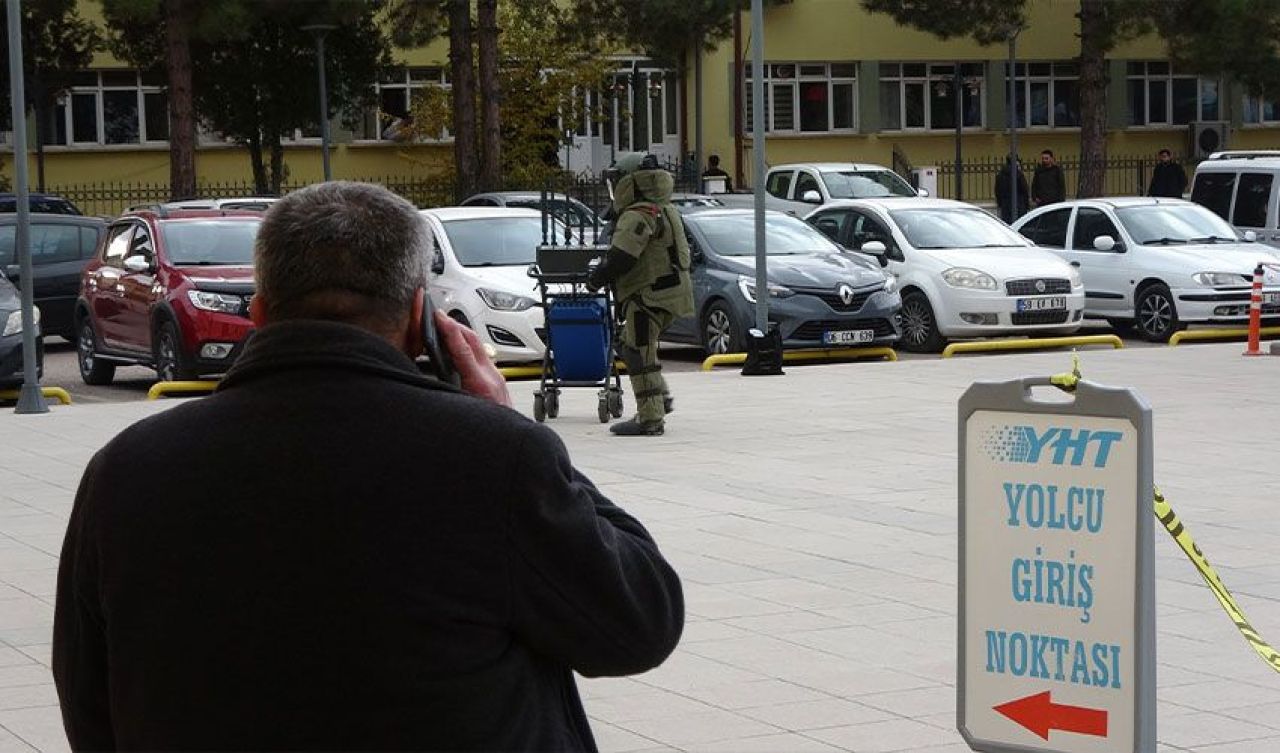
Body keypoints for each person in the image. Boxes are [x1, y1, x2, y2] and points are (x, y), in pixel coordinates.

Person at [52, 181, 684, 751]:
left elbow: (85, 691)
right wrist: (506, 424)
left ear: (262, 313)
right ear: (419, 319)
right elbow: (639, 623)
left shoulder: (126, 471)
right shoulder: (489, 458)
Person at [588, 152, 695, 436]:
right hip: (669, 292)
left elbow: (622, 257)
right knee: (631, 345)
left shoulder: (639, 214)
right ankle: (660, 399)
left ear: (632, 182)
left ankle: (650, 418)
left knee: (638, 350)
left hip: (649, 295)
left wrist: (596, 279)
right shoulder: (665, 208)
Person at [994, 155, 1030, 224]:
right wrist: (1026, 204)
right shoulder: (1018, 174)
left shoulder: (1000, 174)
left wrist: (1000, 203)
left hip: (1005, 205)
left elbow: (997, 191)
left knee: (1008, 226)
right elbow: (1024, 189)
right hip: (1018, 204)